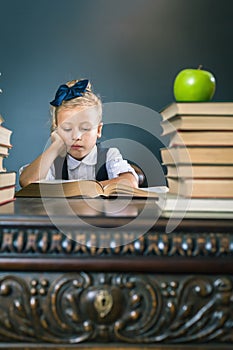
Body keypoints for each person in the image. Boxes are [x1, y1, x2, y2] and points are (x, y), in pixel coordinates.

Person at [19, 78, 138, 189]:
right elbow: (27, 182)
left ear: (98, 130)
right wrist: (55, 147)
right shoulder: (54, 163)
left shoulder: (109, 156)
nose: (76, 137)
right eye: (66, 129)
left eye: (85, 128)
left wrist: (84, 188)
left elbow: (130, 182)